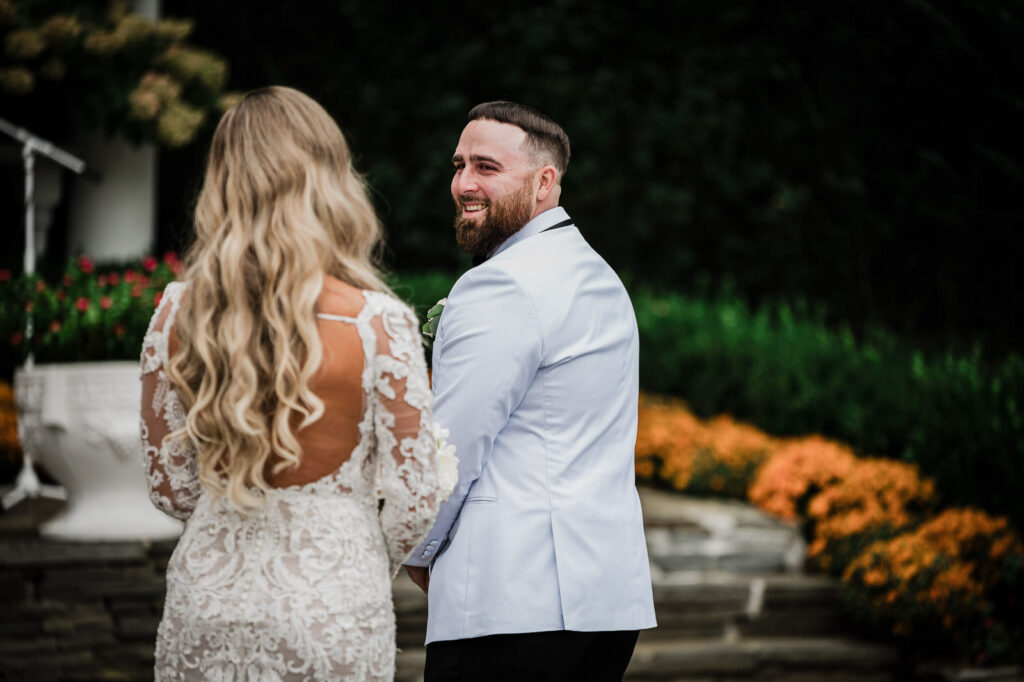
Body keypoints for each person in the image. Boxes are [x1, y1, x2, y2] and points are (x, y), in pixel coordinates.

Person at [139, 86, 445, 681]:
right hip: (331, 603)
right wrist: (351, 547)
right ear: (330, 179)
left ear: (222, 180)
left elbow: (169, 491)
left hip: (207, 599)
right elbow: (415, 500)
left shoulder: (177, 313)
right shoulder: (377, 321)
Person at [404, 101, 657, 681]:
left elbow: (454, 444)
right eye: (459, 164)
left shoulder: (500, 284)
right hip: (606, 604)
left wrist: (419, 545)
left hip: (511, 599)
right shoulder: (599, 276)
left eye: (487, 167)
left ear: (545, 182)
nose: (464, 183)